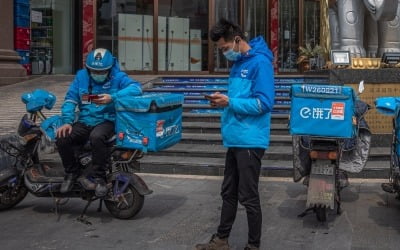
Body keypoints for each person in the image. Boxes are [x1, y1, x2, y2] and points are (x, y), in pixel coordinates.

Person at [195, 19, 275, 250]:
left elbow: (264, 103)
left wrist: (229, 101)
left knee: (248, 196)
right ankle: (221, 240)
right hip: (235, 137)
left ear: (237, 40)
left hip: (250, 139)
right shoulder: (238, 64)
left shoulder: (260, 63)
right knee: (228, 191)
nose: (224, 53)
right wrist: (223, 102)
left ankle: (253, 245)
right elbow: (239, 101)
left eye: (224, 48)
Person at [56, 48, 142, 196]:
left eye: (103, 72)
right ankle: (71, 173)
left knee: (97, 137)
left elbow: (136, 88)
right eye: (94, 71)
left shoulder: (118, 76)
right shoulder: (81, 77)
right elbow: (70, 99)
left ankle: (100, 178)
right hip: (85, 120)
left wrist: (113, 97)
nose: (98, 75)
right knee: (62, 137)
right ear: (88, 69)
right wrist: (67, 121)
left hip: (107, 120)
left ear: (109, 69)